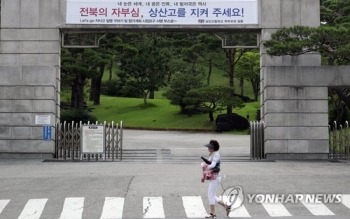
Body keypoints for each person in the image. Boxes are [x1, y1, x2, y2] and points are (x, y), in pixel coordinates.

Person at [201, 140, 231, 218]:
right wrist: (204, 176)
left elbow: (213, 165)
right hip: (213, 176)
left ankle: (212, 213)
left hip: (216, 177)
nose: (208, 148)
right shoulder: (212, 154)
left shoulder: (216, 155)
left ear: (213, 148)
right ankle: (226, 206)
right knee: (212, 195)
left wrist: (205, 166)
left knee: (210, 195)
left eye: (209, 147)